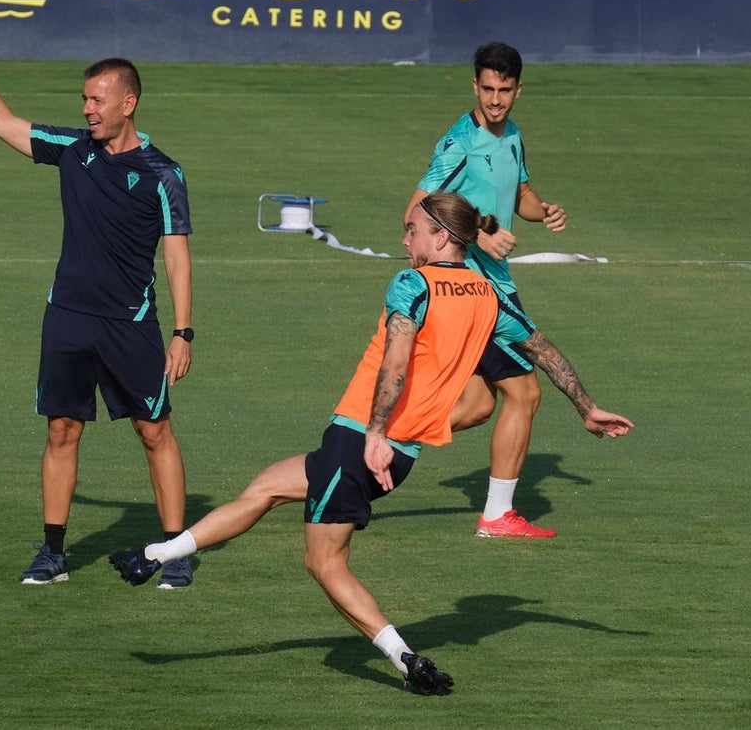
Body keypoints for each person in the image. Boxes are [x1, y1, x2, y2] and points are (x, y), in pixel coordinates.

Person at [109, 192, 633, 694]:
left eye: (413, 231)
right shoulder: (487, 294)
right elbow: (542, 349)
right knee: (266, 487)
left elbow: (396, 363)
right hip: (381, 448)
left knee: (324, 563)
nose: (406, 240)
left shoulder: (413, 285)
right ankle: (156, 554)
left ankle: (405, 659)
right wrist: (586, 407)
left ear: (443, 237)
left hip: (362, 441)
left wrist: (376, 434)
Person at [0, 2, 196, 588]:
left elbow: (177, 255)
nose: (87, 109)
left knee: (153, 429)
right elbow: (1, 124)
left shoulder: (164, 173)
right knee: (61, 429)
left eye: (97, 99)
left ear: (127, 103)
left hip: (130, 323)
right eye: (85, 99)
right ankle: (54, 552)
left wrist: (183, 332)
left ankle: (175, 550)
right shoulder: (73, 149)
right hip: (67, 317)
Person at [403, 41, 569, 539]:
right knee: (527, 393)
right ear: (474, 86)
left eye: (505, 90)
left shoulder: (512, 136)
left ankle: (383, 436)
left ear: (519, 89)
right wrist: (479, 232)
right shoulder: (460, 142)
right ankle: (497, 516)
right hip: (471, 290)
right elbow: (417, 212)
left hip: (494, 284)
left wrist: (545, 211)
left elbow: (518, 192)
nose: (496, 100)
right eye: (488, 89)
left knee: (477, 405)